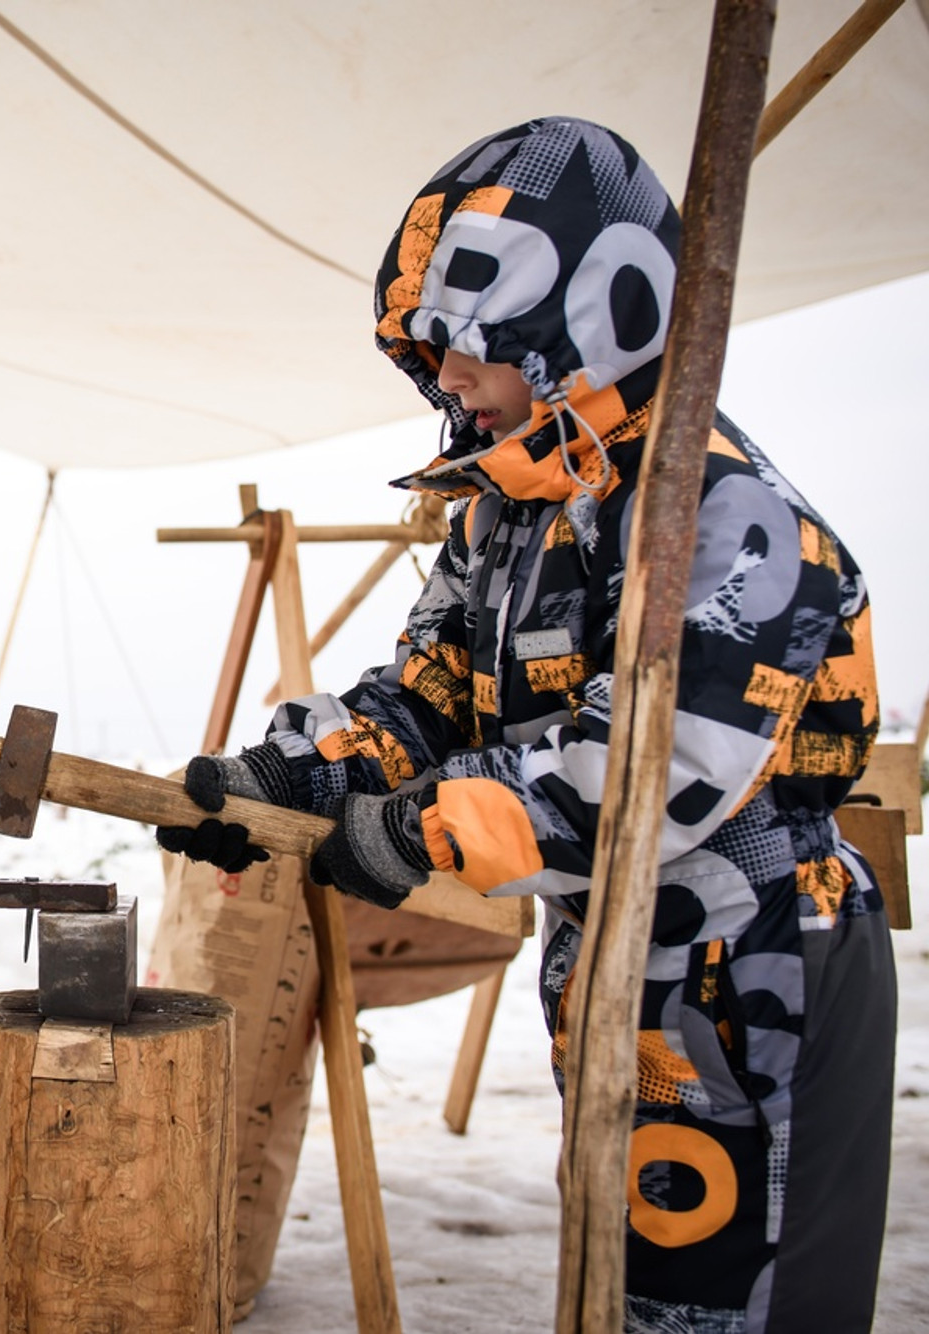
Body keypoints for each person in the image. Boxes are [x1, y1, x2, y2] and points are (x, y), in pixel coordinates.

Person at [157, 117, 893, 1331]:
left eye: (461, 344)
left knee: (732, 1309)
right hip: (615, 955)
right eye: (425, 349)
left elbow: (660, 759)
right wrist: (285, 776)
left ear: (573, 326)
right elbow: (429, 692)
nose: (441, 377)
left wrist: (424, 830)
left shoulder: (721, 509)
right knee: (633, 1288)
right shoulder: (514, 514)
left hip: (753, 963)